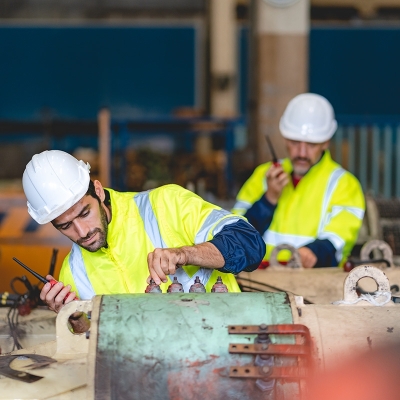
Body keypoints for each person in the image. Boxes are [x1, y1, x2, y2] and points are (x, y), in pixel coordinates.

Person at [22, 150, 265, 315]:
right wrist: (73, 320)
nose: (82, 231)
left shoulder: (166, 204)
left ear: (97, 190)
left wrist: (186, 254)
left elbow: (250, 244)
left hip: (226, 361)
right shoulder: (73, 275)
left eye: (85, 213)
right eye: (65, 226)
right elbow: (95, 345)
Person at [232, 93, 365, 268]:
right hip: (258, 278)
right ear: (285, 138)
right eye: (295, 142)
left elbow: (339, 237)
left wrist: (315, 252)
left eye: (311, 145)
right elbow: (234, 235)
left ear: (326, 142)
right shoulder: (263, 175)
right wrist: (268, 200)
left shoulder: (344, 184)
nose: (302, 153)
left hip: (315, 282)